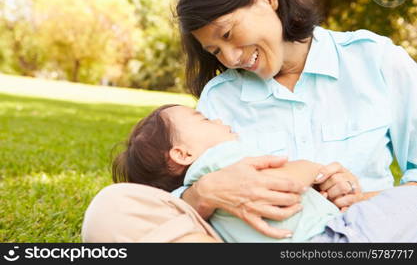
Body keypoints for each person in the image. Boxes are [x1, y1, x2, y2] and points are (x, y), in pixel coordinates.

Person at [168, 0, 417, 239]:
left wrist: (360, 200)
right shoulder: (220, 99)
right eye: (215, 51)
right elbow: (180, 207)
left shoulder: (375, 60)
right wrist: (204, 191)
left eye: (227, 34)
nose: (230, 58)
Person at [87, 104, 416, 243]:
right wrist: (312, 169)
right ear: (182, 154)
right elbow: (286, 179)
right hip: (336, 235)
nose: (218, 120)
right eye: (204, 119)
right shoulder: (221, 159)